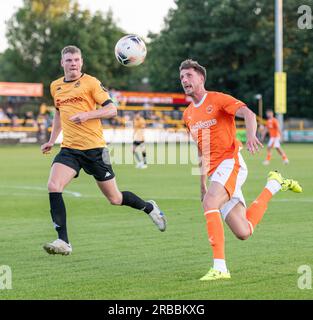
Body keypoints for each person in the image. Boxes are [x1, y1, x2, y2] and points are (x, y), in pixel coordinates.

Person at [180, 59, 302, 281]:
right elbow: (200, 149)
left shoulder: (218, 99)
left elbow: (248, 113)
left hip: (231, 162)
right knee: (244, 231)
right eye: (182, 77)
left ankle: (220, 268)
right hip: (214, 173)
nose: (185, 80)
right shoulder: (188, 115)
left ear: (201, 78)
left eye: (189, 75)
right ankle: (274, 184)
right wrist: (202, 184)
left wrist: (252, 134)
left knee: (210, 204)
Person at [41, 45, 166, 255]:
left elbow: (112, 109)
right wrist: (52, 140)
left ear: (81, 62)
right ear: (62, 63)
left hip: (95, 150)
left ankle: (149, 207)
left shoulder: (90, 82)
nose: (73, 63)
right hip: (69, 149)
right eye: (69, 60)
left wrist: (87, 115)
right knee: (54, 186)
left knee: (115, 199)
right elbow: (57, 114)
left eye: (77, 60)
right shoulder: (56, 86)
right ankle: (63, 242)